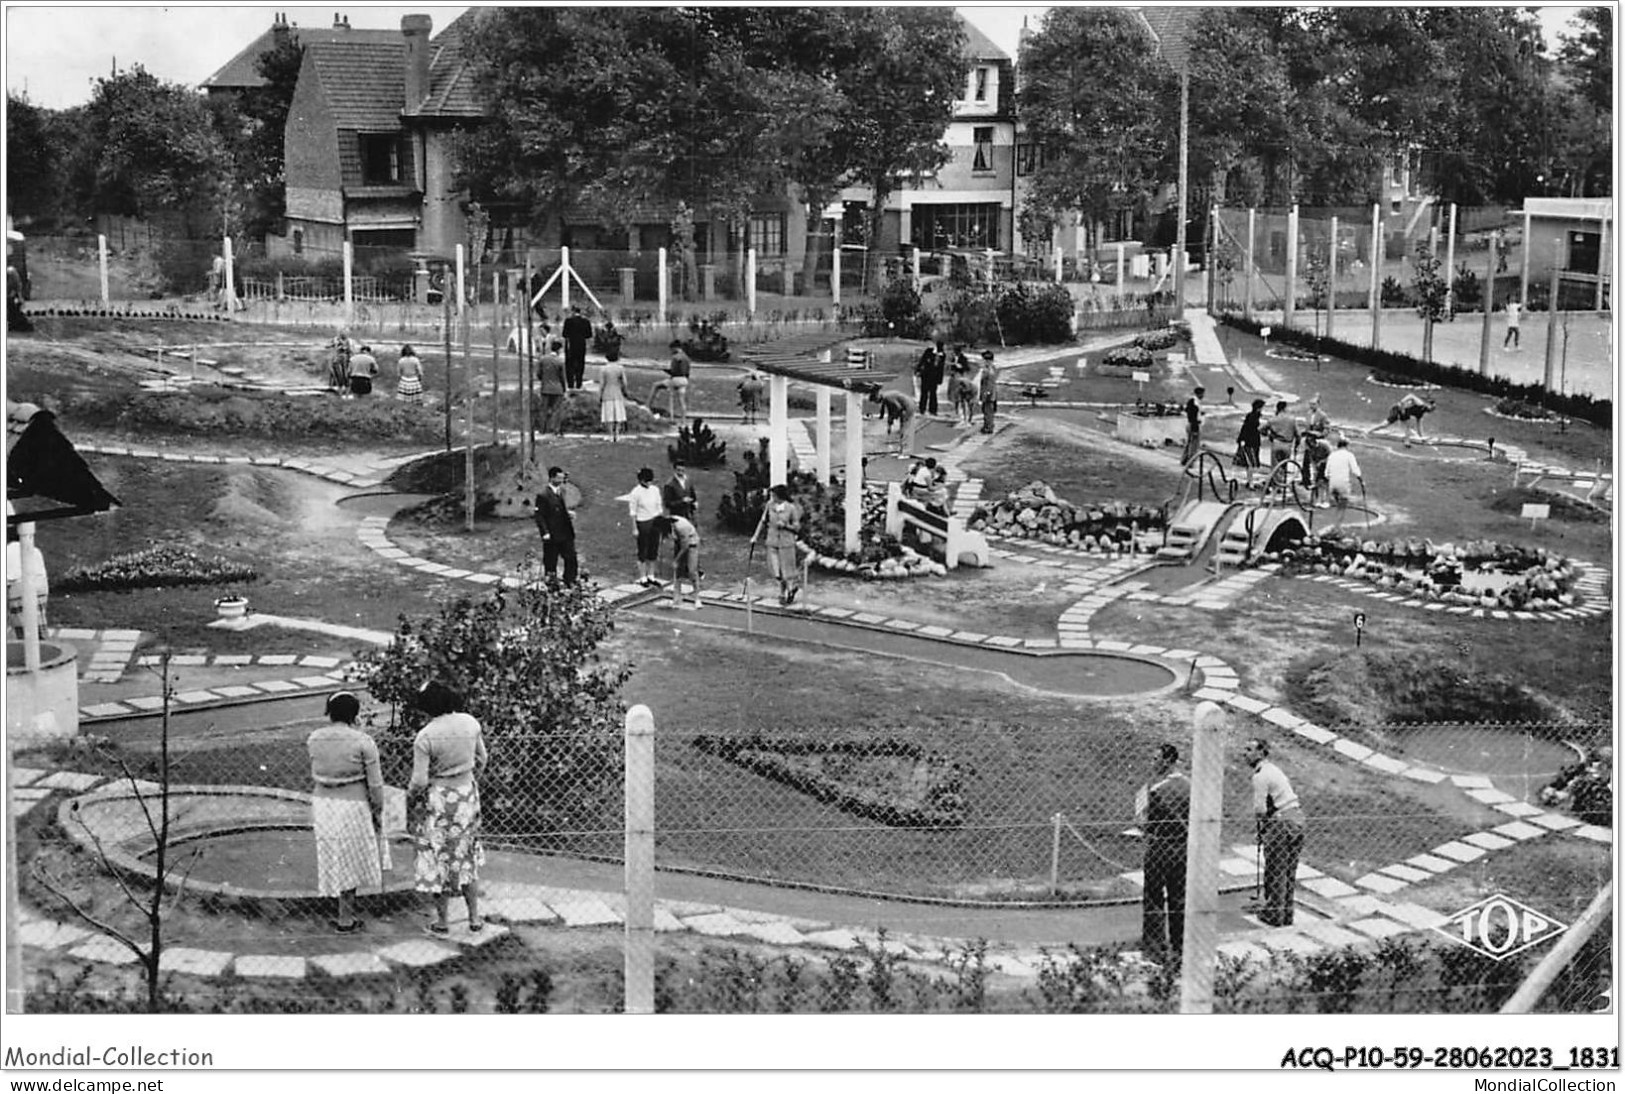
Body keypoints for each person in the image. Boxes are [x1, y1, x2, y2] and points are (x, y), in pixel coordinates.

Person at [409, 680, 487, 936]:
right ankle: (474, 917)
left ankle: (442, 921)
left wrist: (411, 797)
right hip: (467, 793)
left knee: (438, 854)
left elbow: (419, 780)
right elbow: (482, 758)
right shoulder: (470, 722)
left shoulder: (426, 735)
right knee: (466, 853)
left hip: (441, 797)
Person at [307, 691, 388, 934]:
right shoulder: (363, 742)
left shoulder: (314, 738)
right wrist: (378, 809)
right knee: (351, 858)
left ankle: (341, 912)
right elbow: (375, 784)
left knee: (332, 853)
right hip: (353, 805)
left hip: (323, 803)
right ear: (355, 714)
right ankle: (346, 917)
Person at [1137, 743, 1190, 967]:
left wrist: (1141, 820)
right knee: (1179, 897)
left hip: (1160, 847)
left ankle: (1155, 948)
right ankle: (1180, 947)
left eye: (1156, 758)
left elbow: (1148, 824)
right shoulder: (1189, 785)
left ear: (1167, 761)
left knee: (1154, 896)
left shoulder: (1157, 791)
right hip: (1183, 847)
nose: (1153, 763)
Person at [1242, 737, 1304, 928]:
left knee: (1276, 869)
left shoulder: (1260, 776)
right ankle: (1286, 913)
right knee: (1288, 870)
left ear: (1261, 752)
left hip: (1281, 821)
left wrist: (1262, 830)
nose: (1245, 753)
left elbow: (1260, 809)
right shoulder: (1274, 769)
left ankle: (1274, 915)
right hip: (1297, 819)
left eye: (1249, 749)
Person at [752, 483, 804, 606]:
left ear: (780, 496)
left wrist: (786, 526)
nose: (772, 498)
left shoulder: (791, 508)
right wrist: (755, 536)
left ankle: (788, 591)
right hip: (772, 541)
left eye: (774, 495)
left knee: (786, 570)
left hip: (786, 543)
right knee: (776, 571)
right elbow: (763, 521)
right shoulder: (769, 506)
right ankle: (784, 590)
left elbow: (797, 527)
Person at [532, 465, 579, 584]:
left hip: (565, 532)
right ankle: (551, 584)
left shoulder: (561, 492)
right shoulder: (543, 495)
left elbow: (559, 508)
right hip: (552, 534)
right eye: (559, 478)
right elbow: (540, 516)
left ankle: (570, 581)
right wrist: (545, 532)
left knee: (571, 558)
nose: (561, 480)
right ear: (552, 478)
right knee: (551, 561)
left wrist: (568, 513)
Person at [628, 467, 665, 587]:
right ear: (641, 480)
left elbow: (659, 506)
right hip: (642, 522)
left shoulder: (655, 490)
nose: (649, 483)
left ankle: (651, 575)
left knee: (653, 549)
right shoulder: (635, 493)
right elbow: (633, 512)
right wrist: (634, 528)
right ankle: (642, 577)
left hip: (654, 521)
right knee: (643, 549)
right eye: (647, 481)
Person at [661, 513, 702, 610]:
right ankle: (677, 597)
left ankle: (697, 598)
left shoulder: (681, 526)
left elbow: (685, 546)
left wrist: (676, 560)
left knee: (692, 571)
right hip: (680, 543)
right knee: (677, 572)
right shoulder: (669, 522)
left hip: (692, 544)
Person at [1322, 436, 1364, 527]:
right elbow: (1355, 470)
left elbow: (1326, 473)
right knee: (1342, 506)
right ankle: (1337, 526)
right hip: (1343, 484)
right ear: (1346, 445)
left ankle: (1336, 523)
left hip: (1332, 484)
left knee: (1338, 503)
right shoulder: (1349, 455)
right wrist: (1361, 480)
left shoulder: (1332, 455)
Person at [649, 341, 692, 426]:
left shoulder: (675, 357)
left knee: (656, 385)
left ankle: (647, 406)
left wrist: (662, 369)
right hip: (684, 380)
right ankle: (683, 421)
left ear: (674, 348)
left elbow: (673, 372)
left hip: (676, 379)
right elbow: (687, 372)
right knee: (681, 400)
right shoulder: (687, 358)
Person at [1369, 392, 1434, 446]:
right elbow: (1411, 395)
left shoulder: (1421, 413)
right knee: (1385, 424)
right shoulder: (1420, 404)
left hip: (1405, 413)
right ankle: (1369, 431)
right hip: (1398, 409)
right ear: (1427, 404)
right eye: (1431, 407)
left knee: (1408, 425)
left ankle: (1407, 441)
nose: (1431, 409)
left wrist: (1422, 439)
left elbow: (1419, 427)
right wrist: (1401, 402)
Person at [870, 389, 918, 455]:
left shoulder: (888, 398)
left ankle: (904, 449)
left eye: (875, 401)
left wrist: (892, 418)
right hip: (906, 405)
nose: (877, 403)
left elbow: (897, 408)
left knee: (904, 427)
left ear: (877, 398)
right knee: (902, 425)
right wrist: (889, 423)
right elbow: (889, 410)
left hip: (907, 407)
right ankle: (902, 445)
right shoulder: (885, 396)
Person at [1263, 399, 1299, 486]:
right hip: (1287, 445)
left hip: (1276, 443)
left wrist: (1269, 435)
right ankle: (1281, 483)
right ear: (1284, 408)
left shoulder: (1273, 419)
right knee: (1284, 465)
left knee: (1275, 466)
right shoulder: (1292, 420)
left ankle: (1275, 483)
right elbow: (1298, 434)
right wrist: (1296, 445)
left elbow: (1261, 429)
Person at [536, 338, 568, 435]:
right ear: (559, 350)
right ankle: (555, 429)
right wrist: (564, 389)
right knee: (556, 410)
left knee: (543, 410)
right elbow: (563, 377)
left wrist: (544, 379)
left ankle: (542, 429)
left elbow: (538, 374)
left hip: (545, 388)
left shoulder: (543, 359)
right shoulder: (560, 362)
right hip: (557, 389)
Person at [1234, 398, 1265, 489]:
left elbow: (1244, 428)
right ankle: (1250, 482)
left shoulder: (1252, 416)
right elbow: (1247, 429)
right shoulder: (1253, 417)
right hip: (1252, 442)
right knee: (1251, 463)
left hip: (1251, 442)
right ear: (1258, 408)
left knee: (1250, 463)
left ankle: (1249, 480)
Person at [561, 304, 594, 389]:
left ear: (573, 311)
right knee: (580, 364)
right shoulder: (586, 322)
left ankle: (570, 384)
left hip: (570, 345)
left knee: (569, 365)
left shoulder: (568, 321)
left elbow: (564, 334)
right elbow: (589, 335)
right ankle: (579, 383)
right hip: (581, 345)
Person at [598, 354, 629, 441]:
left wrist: (600, 395)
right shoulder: (620, 368)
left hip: (607, 394)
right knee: (619, 415)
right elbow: (624, 382)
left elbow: (602, 384)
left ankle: (611, 435)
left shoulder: (603, 369)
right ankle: (618, 434)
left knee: (609, 415)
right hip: (618, 393)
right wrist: (625, 391)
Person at [915, 341, 945, 417]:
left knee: (933, 394)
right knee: (924, 392)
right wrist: (918, 370)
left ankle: (933, 410)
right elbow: (922, 361)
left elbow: (941, 368)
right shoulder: (929, 351)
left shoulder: (942, 355)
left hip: (934, 377)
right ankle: (922, 409)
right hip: (926, 375)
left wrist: (940, 379)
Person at [977, 350, 1000, 435]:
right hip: (989, 392)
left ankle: (989, 427)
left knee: (988, 411)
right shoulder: (991, 368)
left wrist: (987, 393)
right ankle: (987, 425)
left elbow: (989, 383)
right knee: (986, 410)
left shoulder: (988, 370)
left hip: (988, 393)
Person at [1181, 385, 1205, 464]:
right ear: (1199, 394)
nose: (1203, 396)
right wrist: (1195, 429)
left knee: (1189, 443)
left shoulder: (1194, 401)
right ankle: (1190, 462)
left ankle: (1184, 460)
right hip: (1194, 425)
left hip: (1192, 424)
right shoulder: (1194, 402)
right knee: (1194, 445)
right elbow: (1192, 416)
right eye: (1202, 394)